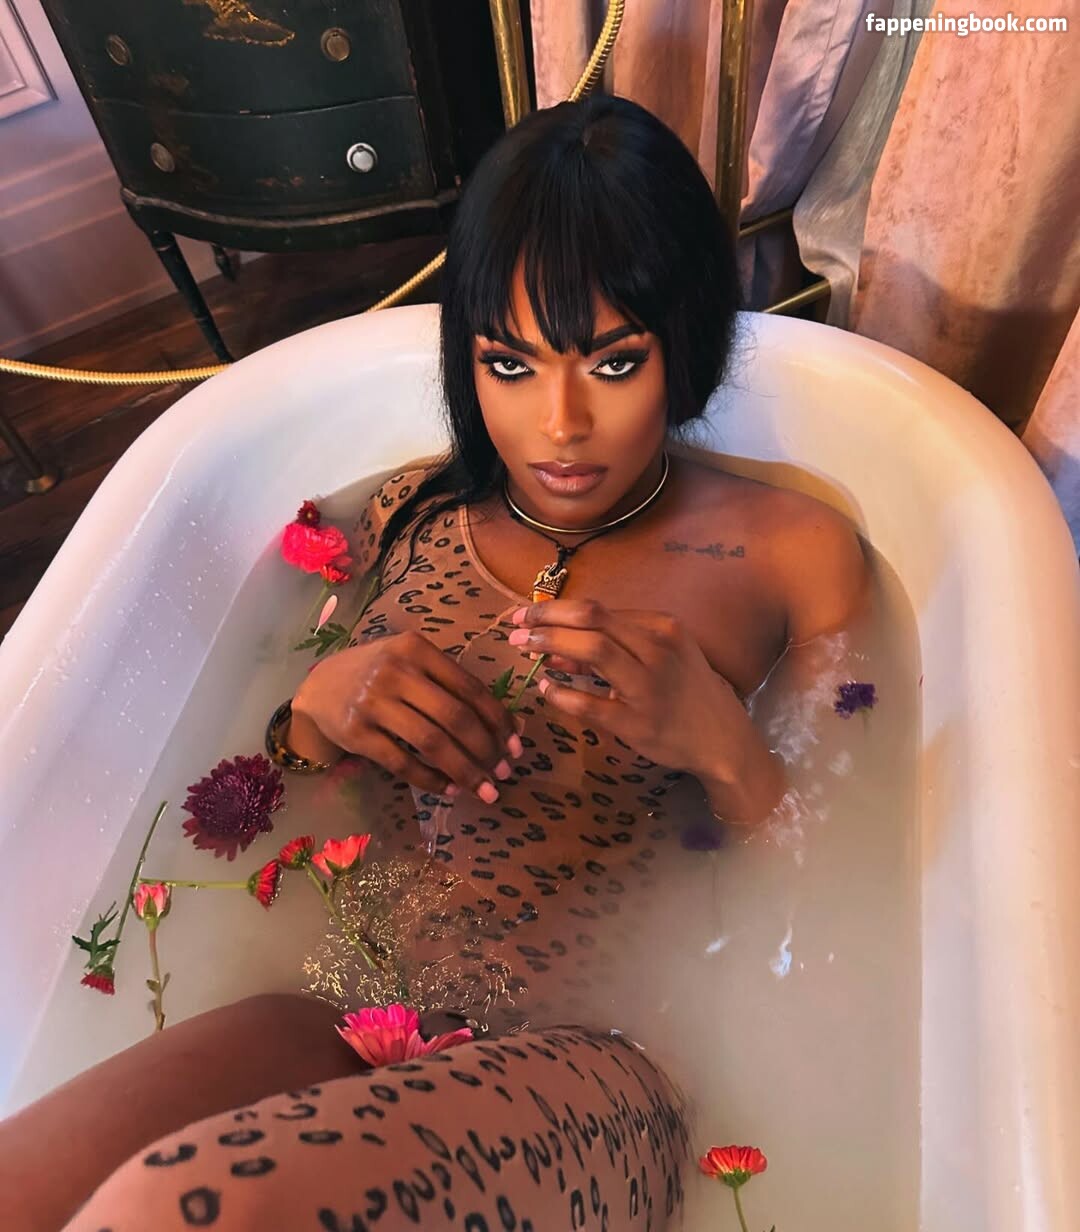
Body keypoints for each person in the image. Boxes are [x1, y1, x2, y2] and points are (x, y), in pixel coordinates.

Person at [6, 93, 869, 1231]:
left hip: (599, 1065)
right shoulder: (408, 508)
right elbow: (295, 779)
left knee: (184, 1210)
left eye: (614, 362)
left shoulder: (794, 550)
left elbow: (847, 876)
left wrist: (720, 742)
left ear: (690, 344)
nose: (559, 425)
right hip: (347, 1007)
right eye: (510, 364)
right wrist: (311, 714)